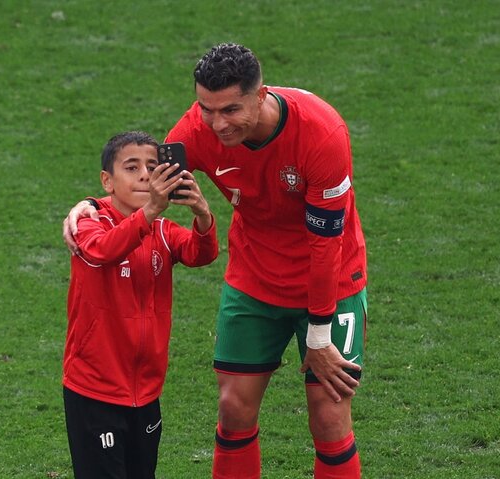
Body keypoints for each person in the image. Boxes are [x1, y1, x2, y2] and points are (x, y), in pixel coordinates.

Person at [64, 43, 368, 479]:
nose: (217, 124)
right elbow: (144, 177)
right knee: (232, 408)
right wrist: (90, 206)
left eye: (230, 110)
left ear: (260, 95)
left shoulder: (321, 133)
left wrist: (319, 335)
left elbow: (325, 245)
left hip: (332, 283)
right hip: (254, 281)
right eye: (206, 108)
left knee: (329, 416)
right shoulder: (196, 130)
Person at [63, 131, 218, 479]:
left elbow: (201, 253)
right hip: (95, 391)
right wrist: (150, 210)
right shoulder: (88, 223)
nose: (145, 175)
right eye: (131, 168)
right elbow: (104, 249)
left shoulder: (162, 229)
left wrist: (202, 213)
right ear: (107, 181)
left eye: (152, 166)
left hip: (146, 390)